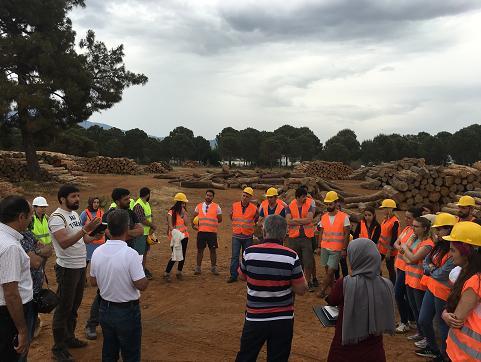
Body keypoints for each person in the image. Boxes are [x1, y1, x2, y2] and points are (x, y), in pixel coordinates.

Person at [236, 215, 308, 362]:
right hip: (282, 318)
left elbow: (241, 276)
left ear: (264, 231)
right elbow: (301, 289)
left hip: (255, 316)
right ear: (285, 233)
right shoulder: (291, 256)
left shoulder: (249, 252)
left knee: (246, 356)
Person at [49, 185, 102, 361]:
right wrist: (85, 230)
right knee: (64, 307)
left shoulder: (72, 215)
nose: (77, 199)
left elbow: (83, 239)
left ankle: (69, 338)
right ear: (62, 199)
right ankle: (58, 348)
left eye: (78, 196)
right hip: (66, 268)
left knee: (74, 305)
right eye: (73, 196)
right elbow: (64, 242)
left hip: (79, 266)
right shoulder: (56, 218)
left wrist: (95, 233)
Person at [90, 209, 149, 362]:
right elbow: (142, 285)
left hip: (105, 309)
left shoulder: (97, 252)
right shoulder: (130, 254)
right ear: (126, 228)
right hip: (127, 311)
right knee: (131, 354)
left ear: (108, 228)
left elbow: (93, 282)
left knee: (109, 351)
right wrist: (140, 268)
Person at [85, 188, 143, 341]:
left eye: (129, 198)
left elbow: (141, 230)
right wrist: (128, 232)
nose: (129, 201)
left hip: (127, 254)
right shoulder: (109, 215)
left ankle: (121, 319)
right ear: (117, 201)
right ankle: (91, 323)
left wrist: (124, 232)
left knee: (124, 288)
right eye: (126, 199)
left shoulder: (131, 213)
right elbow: (109, 234)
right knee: (102, 293)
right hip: (111, 256)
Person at [326, 238, 396, 362]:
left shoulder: (345, 283)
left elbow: (332, 300)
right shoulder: (387, 284)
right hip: (374, 351)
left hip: (345, 349)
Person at [416, 213, 457, 360]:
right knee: (423, 320)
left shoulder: (454, 250)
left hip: (443, 293)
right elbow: (426, 262)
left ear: (449, 229)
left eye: (440, 229)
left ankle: (444, 355)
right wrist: (432, 269)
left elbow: (442, 274)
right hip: (432, 288)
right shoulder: (438, 246)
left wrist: (431, 269)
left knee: (442, 325)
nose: (437, 232)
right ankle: (433, 347)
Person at [0, 196, 35, 361]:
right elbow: (11, 292)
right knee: (14, 355)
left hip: (6, 311)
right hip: (11, 313)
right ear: (21, 217)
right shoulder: (10, 247)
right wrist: (21, 329)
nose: (31, 220)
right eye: (30, 216)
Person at [441, 221, 481, 362]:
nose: (450, 254)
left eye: (453, 250)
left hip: (466, 354)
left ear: (467, 252)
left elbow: (455, 320)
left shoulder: (475, 281)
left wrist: (445, 314)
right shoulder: (471, 274)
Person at [399, 216, 434, 349]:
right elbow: (404, 254)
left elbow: (411, 257)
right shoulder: (414, 239)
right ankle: (420, 333)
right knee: (414, 308)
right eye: (413, 225)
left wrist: (406, 253)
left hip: (419, 281)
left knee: (421, 310)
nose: (413, 228)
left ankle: (426, 337)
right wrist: (408, 256)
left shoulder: (428, 244)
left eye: (416, 226)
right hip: (410, 277)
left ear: (425, 228)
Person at [393, 207, 422, 334]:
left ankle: (404, 322)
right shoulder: (406, 229)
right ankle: (410, 319)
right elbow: (396, 243)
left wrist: (402, 248)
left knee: (398, 294)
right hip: (400, 266)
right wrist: (402, 248)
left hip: (407, 269)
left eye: (409, 217)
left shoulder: (415, 234)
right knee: (404, 295)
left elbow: (406, 249)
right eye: (406, 217)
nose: (406, 219)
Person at [20, 229, 52, 340]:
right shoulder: (15, 239)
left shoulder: (27, 233)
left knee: (32, 313)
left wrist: (35, 252)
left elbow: (49, 250)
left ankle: (34, 324)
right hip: (22, 291)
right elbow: (36, 262)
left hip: (35, 288)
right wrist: (39, 251)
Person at [317, 191, 350, 297]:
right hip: (325, 247)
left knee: (331, 272)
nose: (328, 206)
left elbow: (347, 234)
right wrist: (318, 246)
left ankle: (322, 290)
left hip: (337, 249)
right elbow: (321, 232)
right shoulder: (324, 217)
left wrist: (344, 249)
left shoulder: (344, 217)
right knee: (328, 272)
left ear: (336, 203)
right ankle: (333, 291)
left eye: (330, 204)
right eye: (327, 204)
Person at [285, 187, 316, 292]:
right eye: (303, 197)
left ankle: (308, 282)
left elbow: (309, 219)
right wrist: (303, 221)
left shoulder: (310, 204)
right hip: (293, 238)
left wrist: (295, 220)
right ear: (297, 197)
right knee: (297, 262)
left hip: (306, 237)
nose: (305, 198)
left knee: (308, 262)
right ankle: (299, 282)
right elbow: (288, 222)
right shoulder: (290, 206)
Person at [228, 187, 258, 283]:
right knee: (235, 256)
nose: (244, 198)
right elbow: (231, 216)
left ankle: (246, 275)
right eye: (243, 195)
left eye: (247, 196)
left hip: (248, 236)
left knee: (247, 256)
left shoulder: (254, 208)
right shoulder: (234, 205)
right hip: (236, 235)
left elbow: (256, 219)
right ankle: (233, 275)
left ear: (250, 198)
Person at [193, 189, 222, 275]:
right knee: (200, 250)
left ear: (213, 197)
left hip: (212, 232)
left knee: (213, 250)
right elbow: (194, 217)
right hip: (201, 232)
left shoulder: (217, 207)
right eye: (207, 195)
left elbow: (220, 219)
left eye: (210, 196)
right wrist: (193, 225)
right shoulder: (198, 206)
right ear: (205, 196)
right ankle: (198, 268)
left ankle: (213, 268)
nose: (208, 197)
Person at [164, 193, 190, 281]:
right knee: (175, 255)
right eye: (183, 203)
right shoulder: (171, 212)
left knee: (182, 255)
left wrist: (184, 214)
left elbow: (186, 224)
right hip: (175, 238)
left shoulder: (183, 212)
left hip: (184, 236)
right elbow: (171, 226)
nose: (184, 205)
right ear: (180, 203)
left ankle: (179, 272)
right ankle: (166, 273)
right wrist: (177, 233)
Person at [132, 187, 156, 279]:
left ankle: (142, 271)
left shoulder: (146, 204)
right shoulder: (139, 205)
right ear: (147, 195)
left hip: (146, 233)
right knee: (139, 254)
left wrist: (151, 227)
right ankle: (137, 274)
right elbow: (141, 219)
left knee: (144, 253)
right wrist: (152, 226)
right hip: (140, 234)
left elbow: (149, 216)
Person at [378, 199, 399, 285]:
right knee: (376, 265)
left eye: (384, 208)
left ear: (389, 209)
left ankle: (393, 285)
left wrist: (389, 251)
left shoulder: (395, 222)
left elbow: (394, 237)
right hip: (382, 248)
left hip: (389, 250)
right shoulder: (385, 219)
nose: (383, 210)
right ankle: (379, 282)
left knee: (389, 267)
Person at [79, 197, 105, 266]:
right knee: (87, 262)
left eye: (97, 202)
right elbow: (79, 226)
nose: (96, 204)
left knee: (99, 262)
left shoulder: (102, 213)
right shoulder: (84, 213)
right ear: (90, 203)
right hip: (89, 243)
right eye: (94, 202)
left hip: (100, 242)